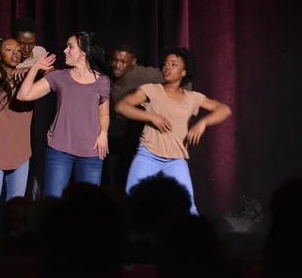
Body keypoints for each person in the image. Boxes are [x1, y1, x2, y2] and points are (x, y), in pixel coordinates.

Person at [115, 47, 231, 214]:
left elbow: (224, 109)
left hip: (176, 160)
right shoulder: (151, 89)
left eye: (173, 64)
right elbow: (121, 106)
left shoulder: (193, 97)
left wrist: (203, 122)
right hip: (148, 155)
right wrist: (151, 117)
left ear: (183, 72)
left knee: (189, 208)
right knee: (132, 202)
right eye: (165, 64)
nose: (167, 67)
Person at [0, 37, 50, 250]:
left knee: (17, 206)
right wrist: (9, 74)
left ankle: (13, 253)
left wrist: (29, 72)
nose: (15, 52)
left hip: (21, 148)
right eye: (9, 49)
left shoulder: (28, 76)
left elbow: (49, 74)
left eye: (17, 49)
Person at [17, 31, 111, 198]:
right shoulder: (58, 77)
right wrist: (35, 68)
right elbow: (23, 96)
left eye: (70, 47)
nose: (65, 51)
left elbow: (103, 114)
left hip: (91, 151)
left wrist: (103, 133)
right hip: (59, 151)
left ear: (84, 52)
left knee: (89, 206)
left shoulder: (103, 81)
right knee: (53, 204)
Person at [105, 45, 165, 187]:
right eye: (115, 60)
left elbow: (178, 78)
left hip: (147, 139)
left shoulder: (144, 75)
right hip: (125, 135)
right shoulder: (107, 76)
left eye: (124, 61)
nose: (117, 65)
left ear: (133, 62)